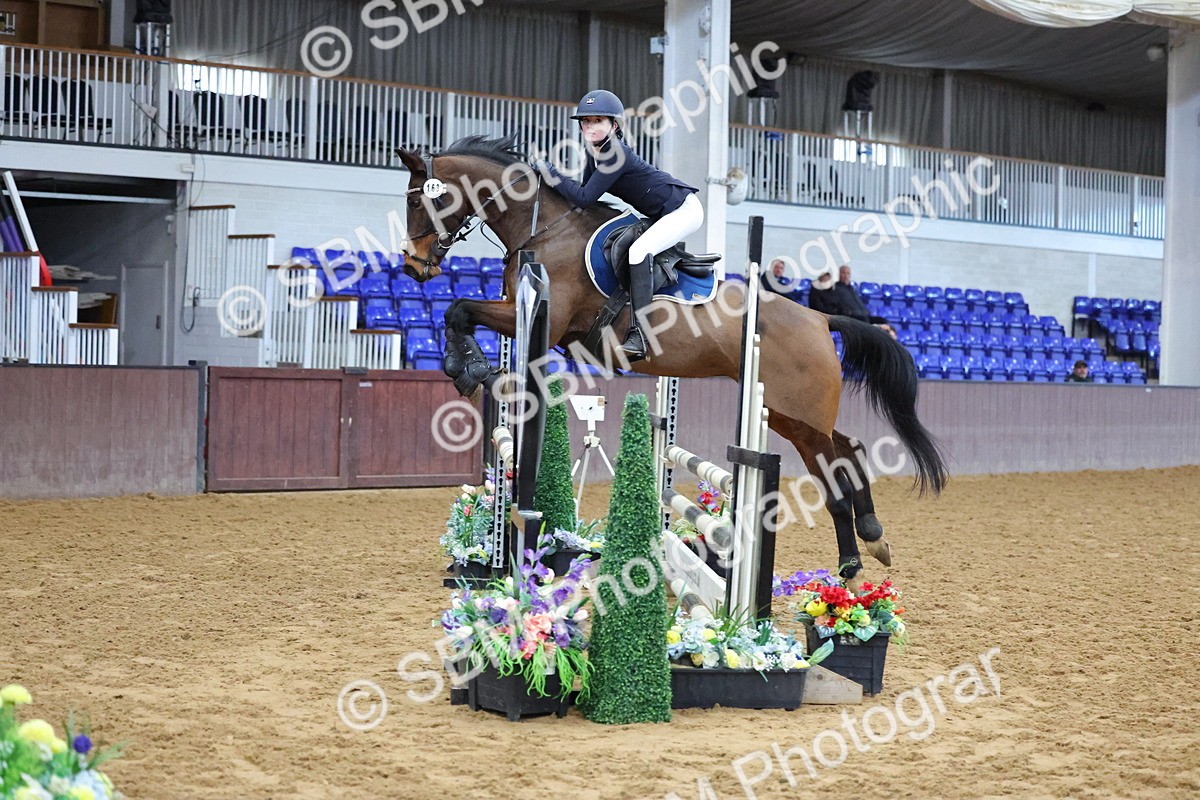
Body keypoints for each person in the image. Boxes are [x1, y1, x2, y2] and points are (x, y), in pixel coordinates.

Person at [532, 90, 701, 361]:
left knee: (638, 251)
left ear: (614, 125)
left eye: (597, 121)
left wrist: (551, 173)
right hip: (662, 211)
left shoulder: (615, 154)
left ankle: (640, 335)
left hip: (683, 210)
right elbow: (583, 195)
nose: (590, 126)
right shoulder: (595, 153)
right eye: (586, 121)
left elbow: (584, 198)